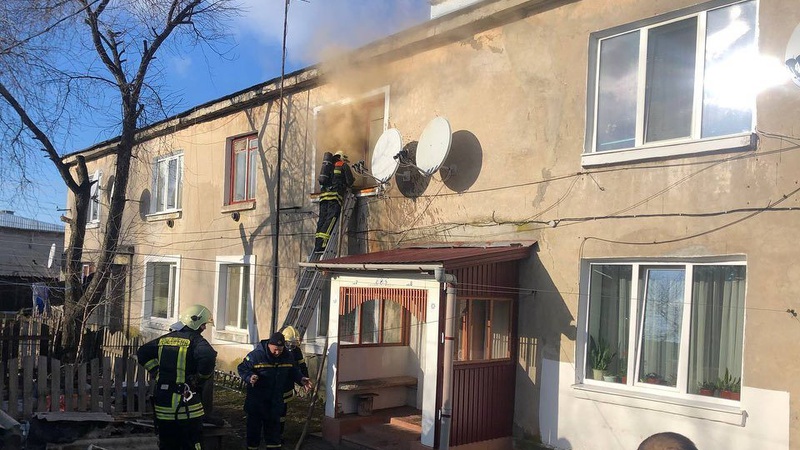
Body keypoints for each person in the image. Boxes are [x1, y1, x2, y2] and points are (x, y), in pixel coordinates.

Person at [137, 304, 217, 450]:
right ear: (196, 322)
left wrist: (156, 370)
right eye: (204, 324)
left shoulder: (164, 340)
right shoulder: (196, 341)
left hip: (163, 406)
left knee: (167, 444)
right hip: (187, 407)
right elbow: (209, 356)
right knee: (192, 444)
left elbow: (142, 353)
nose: (204, 328)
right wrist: (200, 378)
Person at [238, 331, 312, 449]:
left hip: (275, 403)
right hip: (257, 402)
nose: (277, 353)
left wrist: (301, 379)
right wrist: (250, 377)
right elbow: (242, 368)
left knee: (274, 438)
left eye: (280, 350)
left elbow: (293, 370)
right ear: (269, 345)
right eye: (275, 350)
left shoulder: (287, 356)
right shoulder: (256, 356)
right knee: (253, 435)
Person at [314, 150, 355, 253]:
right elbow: (349, 181)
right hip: (334, 197)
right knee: (331, 219)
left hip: (323, 197)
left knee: (322, 220)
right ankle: (324, 242)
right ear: (342, 157)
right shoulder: (343, 165)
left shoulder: (328, 167)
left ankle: (318, 244)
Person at [281, 326, 309, 432]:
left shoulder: (296, 351)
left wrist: (306, 380)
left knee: (282, 413)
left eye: (294, 343)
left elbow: (302, 366)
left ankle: (280, 434)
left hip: (288, 385)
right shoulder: (279, 351)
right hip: (276, 386)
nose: (291, 346)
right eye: (289, 343)